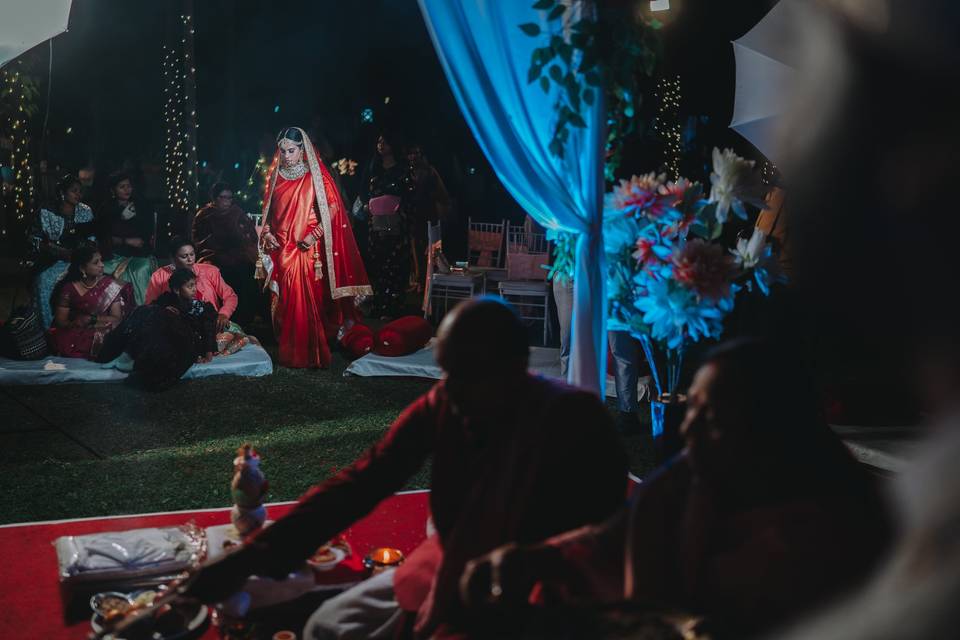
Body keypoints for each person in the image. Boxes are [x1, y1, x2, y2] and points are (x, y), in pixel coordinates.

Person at [184, 297, 629, 639]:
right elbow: (361, 484)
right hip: (452, 562)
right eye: (447, 372)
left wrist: (524, 565)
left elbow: (610, 537)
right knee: (328, 627)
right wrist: (248, 561)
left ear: (516, 368)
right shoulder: (449, 404)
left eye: (469, 374)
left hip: (547, 593)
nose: (451, 389)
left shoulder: (576, 420)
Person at [461, 339, 891, 638]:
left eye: (713, 417)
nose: (688, 429)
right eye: (691, 408)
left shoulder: (826, 533)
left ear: (770, 430)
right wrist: (534, 559)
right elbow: (609, 540)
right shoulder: (696, 474)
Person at [257, 127, 371, 368]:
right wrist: (267, 235)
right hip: (281, 246)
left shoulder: (315, 177)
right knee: (286, 299)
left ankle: (308, 349)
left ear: (302, 149)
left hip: (306, 247)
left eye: (291, 150)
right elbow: (267, 214)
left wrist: (313, 235)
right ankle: (290, 346)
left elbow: (332, 208)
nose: (287, 155)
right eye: (283, 150)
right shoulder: (275, 176)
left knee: (306, 296)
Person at [99, 267, 217, 390]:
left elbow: (208, 328)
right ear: (177, 290)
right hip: (165, 336)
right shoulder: (166, 299)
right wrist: (163, 309)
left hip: (187, 339)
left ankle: (135, 361)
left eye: (194, 285)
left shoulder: (200, 306)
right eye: (190, 286)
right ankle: (126, 354)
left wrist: (208, 352)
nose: (194, 289)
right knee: (146, 311)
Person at [31, 174, 98, 328]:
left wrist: (81, 253)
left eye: (80, 191)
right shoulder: (47, 211)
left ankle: (77, 328)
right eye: (74, 191)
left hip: (80, 259)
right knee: (44, 282)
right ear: (63, 192)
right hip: (52, 259)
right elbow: (37, 239)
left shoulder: (85, 211)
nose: (78, 194)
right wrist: (58, 251)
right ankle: (48, 329)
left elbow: (92, 237)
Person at [192, 182, 260, 325]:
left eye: (229, 198)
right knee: (214, 272)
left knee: (247, 271)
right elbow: (200, 241)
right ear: (215, 198)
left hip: (238, 255)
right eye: (223, 197)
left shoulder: (237, 214)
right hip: (214, 255)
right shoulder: (205, 215)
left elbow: (250, 237)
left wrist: (241, 247)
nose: (227, 201)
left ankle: (244, 319)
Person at [47, 245, 133, 359]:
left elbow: (117, 318)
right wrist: (76, 323)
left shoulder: (109, 285)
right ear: (82, 268)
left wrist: (91, 319)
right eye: (96, 262)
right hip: (78, 331)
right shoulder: (68, 289)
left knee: (113, 334)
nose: (102, 265)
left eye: (101, 260)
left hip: (104, 329)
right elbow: (61, 322)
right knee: (61, 336)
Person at [363, 132, 411, 318]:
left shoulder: (402, 170)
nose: (380, 144)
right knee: (378, 263)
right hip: (376, 224)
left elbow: (408, 195)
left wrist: (398, 210)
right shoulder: (374, 168)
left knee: (395, 264)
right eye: (379, 141)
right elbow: (365, 191)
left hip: (396, 224)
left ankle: (393, 306)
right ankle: (379, 303)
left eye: (385, 141)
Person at [146, 237, 238, 333]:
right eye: (184, 256)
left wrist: (223, 314)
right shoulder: (159, 276)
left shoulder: (210, 271)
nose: (190, 259)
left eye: (192, 254)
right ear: (173, 258)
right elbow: (150, 305)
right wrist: (163, 311)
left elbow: (230, 296)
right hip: (175, 329)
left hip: (211, 326)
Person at [98, 171, 158, 305]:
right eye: (122, 186)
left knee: (141, 269)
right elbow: (103, 236)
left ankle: (143, 311)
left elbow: (146, 235)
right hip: (113, 256)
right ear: (113, 190)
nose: (127, 189)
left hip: (137, 255)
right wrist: (126, 240)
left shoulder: (140, 206)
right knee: (99, 270)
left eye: (129, 186)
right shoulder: (106, 208)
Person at [402, 142, 451, 291]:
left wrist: (429, 196)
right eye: (411, 153)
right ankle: (418, 280)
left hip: (428, 214)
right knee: (415, 247)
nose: (413, 156)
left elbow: (443, 195)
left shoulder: (430, 171)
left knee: (430, 248)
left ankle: (430, 279)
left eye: (416, 153)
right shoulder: (406, 172)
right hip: (412, 215)